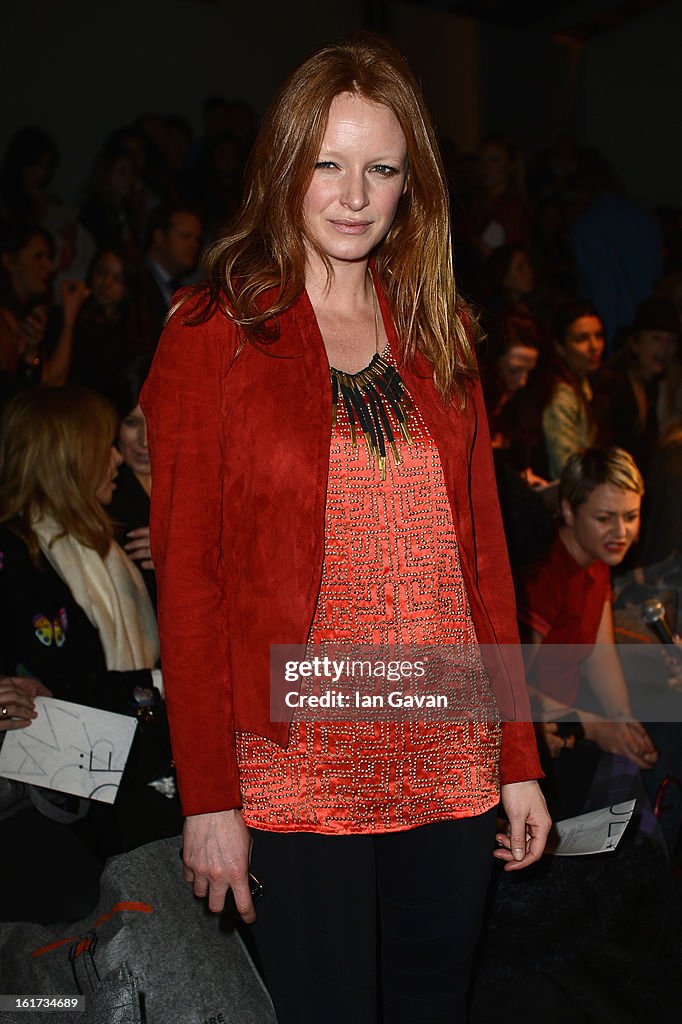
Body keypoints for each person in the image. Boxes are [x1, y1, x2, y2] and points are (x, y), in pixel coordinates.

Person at [142, 35, 549, 1024]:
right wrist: (208, 796)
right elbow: (188, 582)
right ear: (284, 166)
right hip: (296, 761)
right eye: (328, 162)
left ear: (412, 186)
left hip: (446, 747)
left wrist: (519, 757)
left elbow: (483, 563)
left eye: (380, 168)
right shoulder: (212, 335)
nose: (353, 194)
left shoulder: (439, 328)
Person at [0, 386, 181, 895]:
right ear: (67, 461)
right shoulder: (15, 560)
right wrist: (166, 685)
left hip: (144, 775)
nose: (116, 457)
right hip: (71, 815)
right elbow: (57, 695)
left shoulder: (119, 541)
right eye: (102, 445)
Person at [516, 447, 682, 848]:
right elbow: (510, 692)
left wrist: (622, 719)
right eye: (604, 518)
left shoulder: (596, 559)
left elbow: (600, 651)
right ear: (570, 512)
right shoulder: (545, 573)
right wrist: (597, 727)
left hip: (577, 717)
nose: (621, 532)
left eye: (630, 516)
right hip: (545, 737)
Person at [108, 354, 156, 607]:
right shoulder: (106, 494)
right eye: (131, 422)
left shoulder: (201, 483)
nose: (145, 441)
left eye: (154, 422)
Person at [542, 300, 606, 479]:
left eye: (599, 336)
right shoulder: (562, 396)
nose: (594, 346)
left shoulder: (586, 384)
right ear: (560, 347)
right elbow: (566, 467)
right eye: (581, 338)